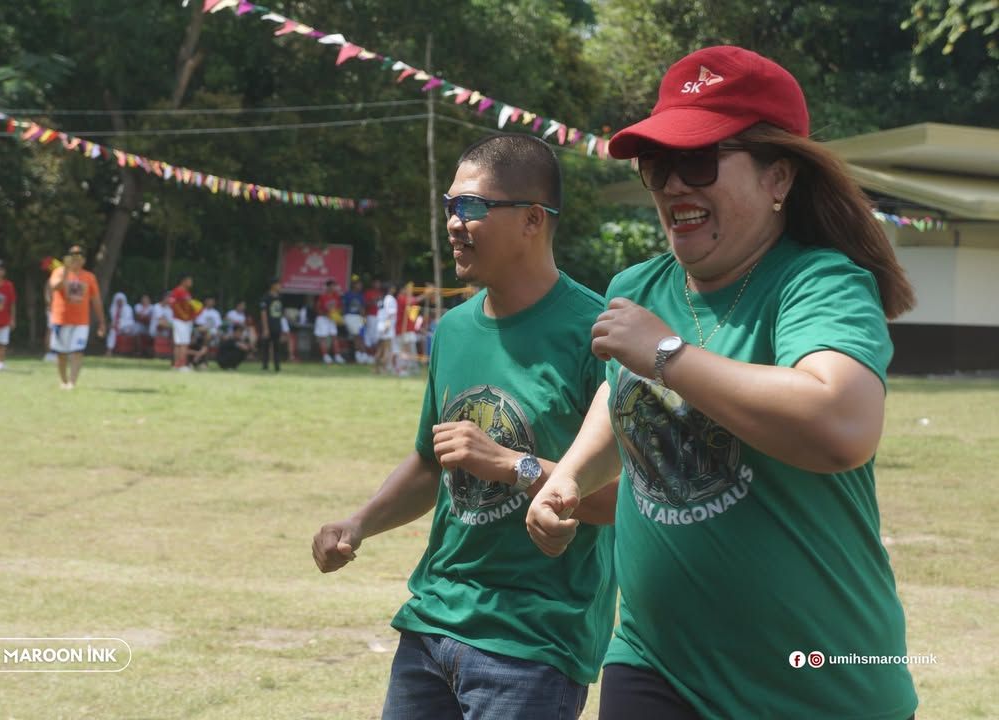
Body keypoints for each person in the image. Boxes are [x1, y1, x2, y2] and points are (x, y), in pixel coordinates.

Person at [525, 46, 919, 720]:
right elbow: (624, 393)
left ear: (778, 178)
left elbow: (841, 426)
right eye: (658, 167)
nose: (674, 185)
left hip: (818, 685)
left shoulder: (818, 282)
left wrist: (666, 353)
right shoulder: (638, 289)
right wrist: (570, 475)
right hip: (654, 665)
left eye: (699, 161)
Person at [312, 134, 619, 719]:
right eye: (450, 205)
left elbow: (620, 502)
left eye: (473, 207)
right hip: (431, 624)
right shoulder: (453, 330)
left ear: (533, 219)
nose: (454, 222)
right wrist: (358, 524)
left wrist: (510, 464)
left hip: (531, 645)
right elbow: (432, 462)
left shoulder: (597, 334)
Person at [48, 245, 106, 389]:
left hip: (81, 321)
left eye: (79, 257)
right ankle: (63, 380)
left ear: (84, 260)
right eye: (72, 257)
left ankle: (72, 382)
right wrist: (66, 272)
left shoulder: (89, 277)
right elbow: (55, 287)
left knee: (77, 351)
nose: (75, 260)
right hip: (61, 319)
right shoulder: (58, 272)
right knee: (61, 353)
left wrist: (102, 322)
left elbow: (96, 300)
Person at [169, 274, 198, 371]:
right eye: (189, 281)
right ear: (184, 281)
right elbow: (172, 303)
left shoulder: (186, 292)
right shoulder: (178, 291)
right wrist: (183, 316)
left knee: (179, 343)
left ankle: (176, 365)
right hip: (181, 321)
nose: (191, 283)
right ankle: (182, 365)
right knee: (183, 343)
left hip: (184, 321)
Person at [259, 277, 287, 372]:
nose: (280, 286)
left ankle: (277, 366)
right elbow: (263, 313)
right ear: (273, 285)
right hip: (268, 325)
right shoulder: (265, 297)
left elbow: (281, 314)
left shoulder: (280, 297)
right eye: (278, 284)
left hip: (277, 325)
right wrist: (265, 328)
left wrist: (283, 328)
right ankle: (265, 366)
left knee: (277, 346)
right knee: (266, 346)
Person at [342, 277, 370, 364]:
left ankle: (363, 355)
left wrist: (364, 318)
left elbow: (362, 308)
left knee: (361, 337)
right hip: (350, 316)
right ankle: (359, 356)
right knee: (356, 336)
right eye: (358, 284)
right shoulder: (348, 294)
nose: (360, 286)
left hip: (359, 318)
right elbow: (343, 306)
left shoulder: (360, 295)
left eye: (361, 285)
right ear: (354, 285)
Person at [373, 283, 398, 375]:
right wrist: (387, 326)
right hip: (387, 325)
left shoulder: (381, 299)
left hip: (379, 325)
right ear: (391, 289)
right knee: (387, 349)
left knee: (379, 349)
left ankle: (376, 369)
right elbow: (390, 313)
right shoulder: (391, 299)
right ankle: (384, 369)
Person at [105, 292, 135, 357]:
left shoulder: (128, 308)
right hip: (117, 328)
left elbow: (127, 320)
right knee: (112, 332)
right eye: (118, 300)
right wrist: (112, 325)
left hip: (127, 327)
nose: (120, 302)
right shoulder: (113, 308)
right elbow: (113, 320)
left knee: (114, 329)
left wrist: (116, 325)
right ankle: (109, 351)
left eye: (121, 301)